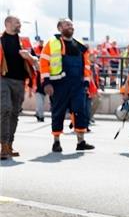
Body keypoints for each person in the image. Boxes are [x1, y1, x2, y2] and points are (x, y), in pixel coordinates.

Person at [39, 18, 95, 153]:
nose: (70, 26)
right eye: (66, 24)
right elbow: (44, 63)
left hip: (78, 85)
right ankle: (56, 142)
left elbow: (87, 65)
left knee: (80, 112)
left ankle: (80, 141)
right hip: (59, 84)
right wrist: (46, 82)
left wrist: (86, 82)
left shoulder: (80, 46)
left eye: (71, 25)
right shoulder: (52, 44)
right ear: (59, 28)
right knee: (58, 112)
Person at [1, 16, 38, 159]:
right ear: (8, 24)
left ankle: (9, 144)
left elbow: (36, 62)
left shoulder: (25, 41)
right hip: (3, 79)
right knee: (5, 109)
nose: (19, 25)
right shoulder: (0, 39)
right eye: (17, 22)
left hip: (20, 81)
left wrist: (29, 56)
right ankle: (3, 145)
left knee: (15, 113)